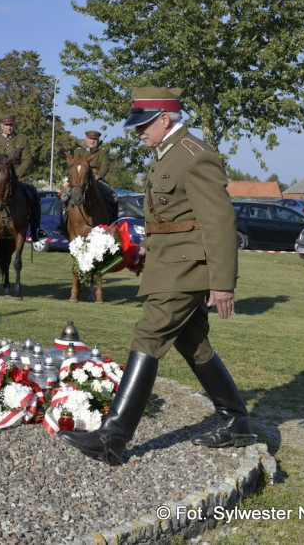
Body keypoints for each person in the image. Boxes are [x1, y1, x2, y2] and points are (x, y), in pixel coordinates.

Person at [58, 87, 255, 465]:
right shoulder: (169, 153)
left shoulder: (195, 156)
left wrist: (223, 283)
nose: (137, 132)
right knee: (192, 343)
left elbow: (219, 221)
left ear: (165, 120)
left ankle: (113, 438)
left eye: (143, 124)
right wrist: (146, 248)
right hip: (169, 263)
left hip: (188, 268)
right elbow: (176, 217)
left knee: (148, 334)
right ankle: (236, 421)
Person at [0, 116, 47, 242]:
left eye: (11, 125)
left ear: (14, 125)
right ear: (1, 125)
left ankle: (36, 230)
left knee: (33, 193)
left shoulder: (22, 139)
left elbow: (28, 160)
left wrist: (15, 175)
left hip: (17, 177)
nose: (9, 127)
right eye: (6, 125)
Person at [61, 130, 118, 229]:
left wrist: (99, 175)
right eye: (90, 139)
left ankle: (113, 223)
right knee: (64, 197)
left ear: (98, 140)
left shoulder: (102, 152)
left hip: (96, 179)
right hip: (80, 180)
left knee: (113, 197)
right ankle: (62, 223)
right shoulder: (78, 151)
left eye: (95, 139)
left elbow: (105, 166)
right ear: (86, 139)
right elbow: (76, 165)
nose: (92, 141)